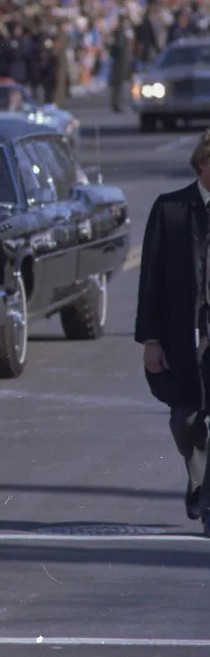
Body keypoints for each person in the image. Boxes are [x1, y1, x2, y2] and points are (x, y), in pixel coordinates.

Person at [135, 130, 210, 533]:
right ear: (201, 165)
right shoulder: (171, 209)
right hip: (186, 335)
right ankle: (199, 478)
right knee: (185, 420)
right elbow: (150, 279)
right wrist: (150, 339)